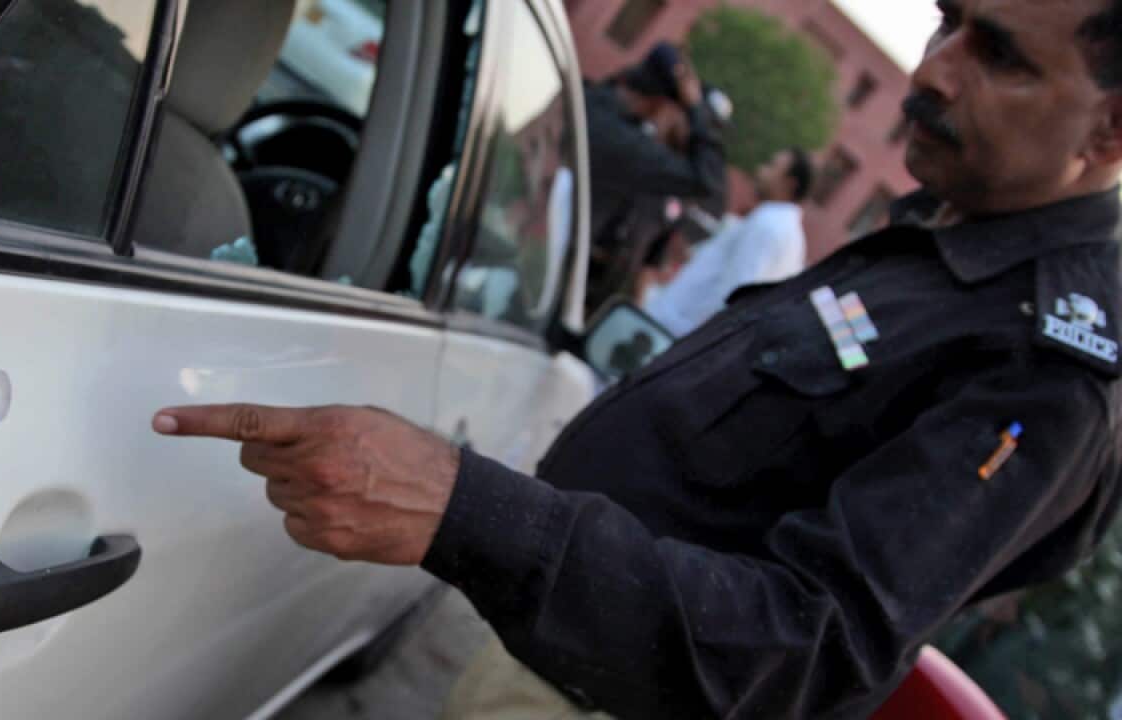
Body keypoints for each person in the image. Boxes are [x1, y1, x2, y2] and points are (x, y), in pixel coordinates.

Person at [151, 0, 1122, 717]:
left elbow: (802, 645)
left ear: (1109, 129)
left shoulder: (1047, 361)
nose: (933, 72)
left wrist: (462, 509)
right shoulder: (935, 238)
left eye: (996, 55)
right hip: (553, 667)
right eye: (945, 22)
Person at [584, 42, 729, 312]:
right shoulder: (631, 148)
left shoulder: (595, 105)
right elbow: (707, 178)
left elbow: (649, 264)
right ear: (664, 104)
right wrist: (695, 107)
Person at [642, 148, 814, 337]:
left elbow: (734, 293)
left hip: (675, 331)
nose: (761, 170)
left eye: (772, 166)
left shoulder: (769, 224)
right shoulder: (792, 235)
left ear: (788, 184)